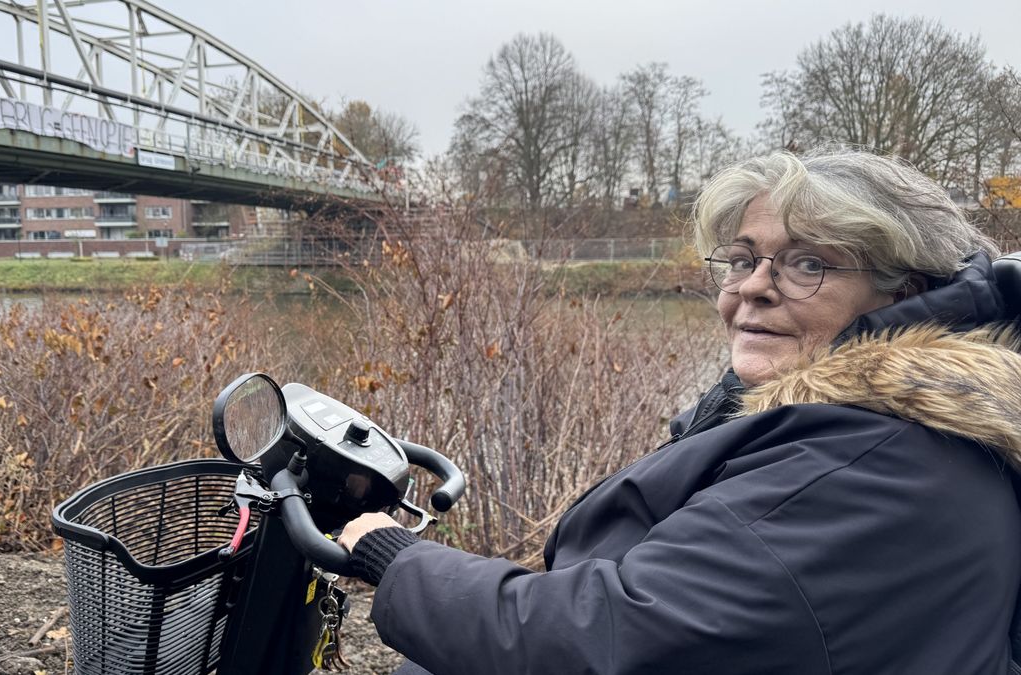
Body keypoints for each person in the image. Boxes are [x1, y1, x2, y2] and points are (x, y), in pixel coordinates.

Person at [337, 149, 1021, 674]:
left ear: (903, 293)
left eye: (808, 264)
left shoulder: (868, 464)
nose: (753, 288)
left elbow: (609, 638)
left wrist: (392, 555)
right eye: (743, 259)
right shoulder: (862, 426)